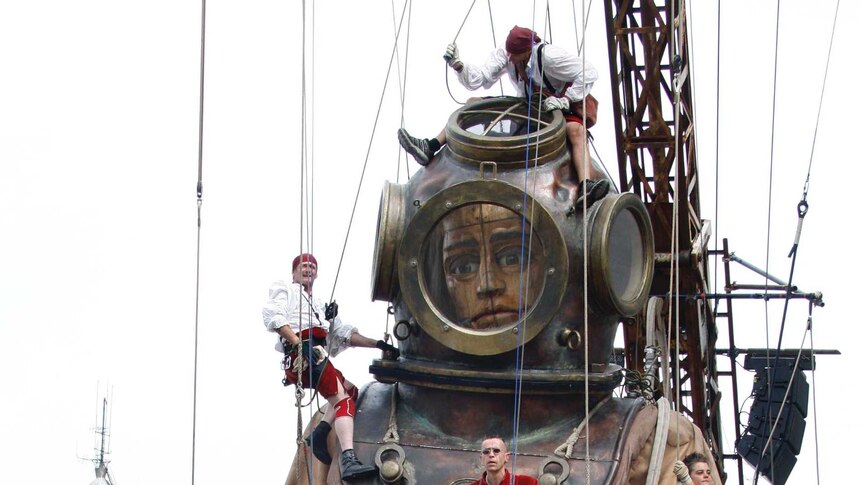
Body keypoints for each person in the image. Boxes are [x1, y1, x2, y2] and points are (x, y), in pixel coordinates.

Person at [398, 25, 609, 207]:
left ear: (527, 51)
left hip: (558, 108)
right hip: (528, 107)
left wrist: (565, 100)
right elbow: (480, 78)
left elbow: (588, 71)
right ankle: (431, 146)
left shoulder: (548, 56)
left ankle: (585, 186)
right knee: (472, 105)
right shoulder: (507, 55)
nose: (510, 58)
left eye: (514, 54)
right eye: (509, 53)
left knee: (576, 131)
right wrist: (458, 65)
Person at [262, 253, 399, 481]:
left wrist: (377, 343)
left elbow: (343, 335)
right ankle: (348, 459)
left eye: (313, 267)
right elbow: (273, 318)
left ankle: (321, 431)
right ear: (294, 272)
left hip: (315, 353)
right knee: (343, 400)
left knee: (351, 391)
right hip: (305, 354)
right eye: (304, 266)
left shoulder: (317, 304)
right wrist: (298, 345)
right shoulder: (286, 290)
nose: (309, 270)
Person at [470, 436, 538, 485]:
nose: (491, 455)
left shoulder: (528, 483)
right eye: (486, 452)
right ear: (481, 458)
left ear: (506, 457)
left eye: (496, 451)